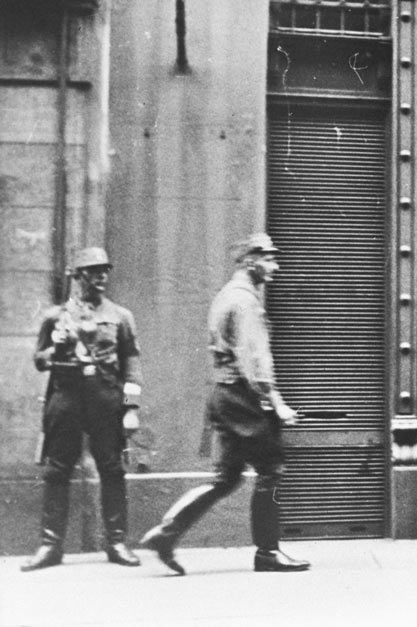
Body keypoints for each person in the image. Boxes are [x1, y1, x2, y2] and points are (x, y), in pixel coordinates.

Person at [140, 233, 309, 574]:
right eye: (270, 259)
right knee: (271, 470)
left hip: (224, 395)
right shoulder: (245, 302)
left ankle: (166, 535)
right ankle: (268, 553)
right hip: (243, 398)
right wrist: (276, 402)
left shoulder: (226, 296)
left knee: (226, 478)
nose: (275, 267)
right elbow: (255, 359)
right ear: (252, 261)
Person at [23, 247, 143, 571]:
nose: (101, 276)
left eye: (105, 270)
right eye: (93, 271)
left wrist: (131, 409)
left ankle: (116, 542)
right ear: (78, 276)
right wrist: (57, 345)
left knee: (112, 469)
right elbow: (38, 361)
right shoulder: (55, 316)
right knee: (57, 469)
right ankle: (51, 546)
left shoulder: (120, 316)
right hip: (67, 396)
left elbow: (131, 365)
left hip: (105, 397)